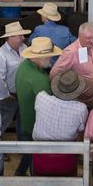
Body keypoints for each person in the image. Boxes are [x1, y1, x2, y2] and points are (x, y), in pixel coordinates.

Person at [31, 71, 88, 186]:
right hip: (66, 157)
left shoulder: (41, 97)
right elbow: (80, 131)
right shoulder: (81, 108)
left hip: (41, 155)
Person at [14, 37, 62, 176]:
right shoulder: (39, 79)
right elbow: (49, 107)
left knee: (29, 152)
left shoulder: (24, 66)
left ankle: (20, 172)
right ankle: (36, 181)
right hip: (35, 124)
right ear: (40, 57)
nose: (51, 59)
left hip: (25, 117)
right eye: (49, 56)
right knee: (36, 157)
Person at [0, 22, 30, 135]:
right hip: (9, 95)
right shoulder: (0, 55)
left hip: (22, 93)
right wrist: (5, 95)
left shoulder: (24, 48)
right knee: (3, 122)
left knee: (23, 122)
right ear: (10, 37)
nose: (23, 38)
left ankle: (22, 149)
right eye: (20, 36)